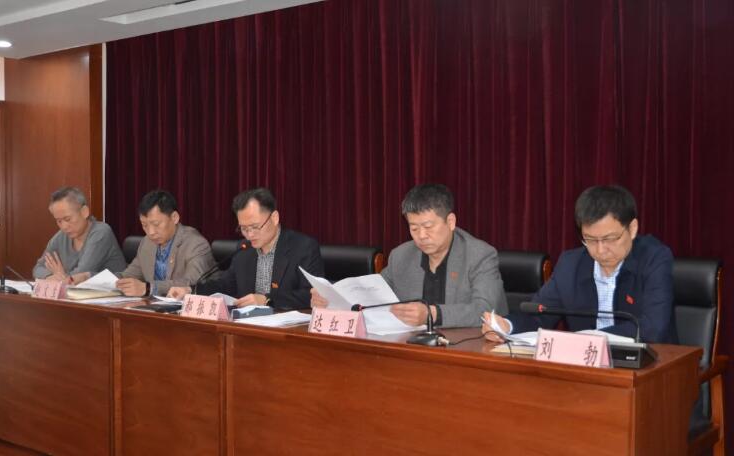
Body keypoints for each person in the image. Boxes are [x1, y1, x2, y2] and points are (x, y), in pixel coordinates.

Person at [484, 184, 676, 343]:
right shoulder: (571, 265)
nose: (600, 250)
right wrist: (507, 326)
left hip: (651, 366)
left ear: (632, 229)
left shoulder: (654, 259)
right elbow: (540, 314)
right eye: (590, 240)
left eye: (609, 239)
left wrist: (590, 339)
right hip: (587, 367)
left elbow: (653, 328)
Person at [311, 183, 507, 328]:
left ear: (450, 221)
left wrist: (432, 314)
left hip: (467, 350)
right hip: (411, 349)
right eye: (414, 228)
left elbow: (485, 309)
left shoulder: (479, 255)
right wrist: (332, 299)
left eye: (428, 226)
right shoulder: (401, 255)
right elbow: (371, 294)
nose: (421, 236)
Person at [168, 188, 323, 309]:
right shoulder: (244, 248)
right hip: (247, 325)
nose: (249, 235)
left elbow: (311, 295)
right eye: (244, 228)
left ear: (274, 218)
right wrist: (191, 290)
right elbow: (226, 285)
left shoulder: (303, 247)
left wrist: (267, 300)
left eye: (255, 227)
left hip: (287, 329)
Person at [116, 190, 216, 297]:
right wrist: (111, 281)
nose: (151, 232)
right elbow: (130, 274)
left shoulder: (195, 243)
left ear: (174, 218)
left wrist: (149, 288)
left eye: (156, 224)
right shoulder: (147, 243)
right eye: (145, 225)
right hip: (154, 305)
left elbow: (192, 282)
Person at [32, 187, 126, 283]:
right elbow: (38, 268)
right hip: (76, 291)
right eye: (59, 221)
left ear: (84, 212)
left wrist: (62, 276)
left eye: (67, 219)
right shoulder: (61, 237)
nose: (64, 226)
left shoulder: (101, 232)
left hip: (111, 291)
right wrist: (50, 276)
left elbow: (81, 275)